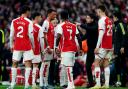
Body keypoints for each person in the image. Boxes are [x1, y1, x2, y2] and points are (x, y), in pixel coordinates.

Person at [8, 5, 34, 89]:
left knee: (14, 64)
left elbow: (11, 35)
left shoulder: (14, 21)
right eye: (29, 11)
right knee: (28, 64)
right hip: (26, 46)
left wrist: (11, 45)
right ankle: (26, 85)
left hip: (17, 45)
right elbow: (30, 36)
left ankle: (12, 85)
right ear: (26, 11)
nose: (29, 13)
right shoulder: (29, 22)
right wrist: (33, 45)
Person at [55, 10, 82, 89]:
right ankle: (70, 84)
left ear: (61, 17)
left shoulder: (61, 26)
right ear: (68, 17)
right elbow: (79, 37)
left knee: (68, 67)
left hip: (66, 49)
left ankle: (71, 85)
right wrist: (80, 48)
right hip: (73, 49)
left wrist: (56, 47)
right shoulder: (73, 25)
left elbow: (59, 36)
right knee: (69, 67)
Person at [90, 5, 113, 89]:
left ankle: (98, 84)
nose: (97, 13)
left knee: (96, 63)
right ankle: (106, 85)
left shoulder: (101, 20)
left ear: (100, 11)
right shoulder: (109, 20)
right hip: (109, 45)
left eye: (97, 11)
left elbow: (101, 34)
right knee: (106, 64)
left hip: (103, 45)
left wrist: (97, 46)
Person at [77, 13, 98, 88]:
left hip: (96, 49)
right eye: (86, 18)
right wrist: (78, 39)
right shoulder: (88, 25)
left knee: (98, 66)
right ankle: (91, 82)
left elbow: (91, 29)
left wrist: (81, 25)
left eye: (88, 18)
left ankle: (99, 82)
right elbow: (86, 36)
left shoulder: (96, 25)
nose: (87, 19)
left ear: (92, 19)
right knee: (88, 66)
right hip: (90, 49)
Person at [40, 9, 57, 89]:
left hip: (51, 48)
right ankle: (44, 84)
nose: (55, 16)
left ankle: (45, 84)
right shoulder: (46, 23)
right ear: (49, 14)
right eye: (54, 15)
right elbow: (44, 36)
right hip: (48, 48)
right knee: (45, 66)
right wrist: (48, 47)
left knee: (47, 66)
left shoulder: (50, 23)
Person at [112, 11, 126, 86]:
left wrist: (123, 46)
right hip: (117, 50)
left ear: (116, 17)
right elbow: (115, 39)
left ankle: (123, 82)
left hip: (121, 49)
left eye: (113, 17)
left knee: (122, 65)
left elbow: (124, 35)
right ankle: (118, 81)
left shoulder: (121, 25)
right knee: (117, 65)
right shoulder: (116, 26)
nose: (112, 19)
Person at [31, 12, 42, 89]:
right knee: (35, 66)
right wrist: (42, 50)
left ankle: (27, 84)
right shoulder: (39, 27)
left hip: (27, 48)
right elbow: (41, 41)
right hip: (36, 49)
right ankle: (33, 84)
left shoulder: (27, 25)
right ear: (37, 17)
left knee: (27, 66)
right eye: (40, 17)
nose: (41, 19)